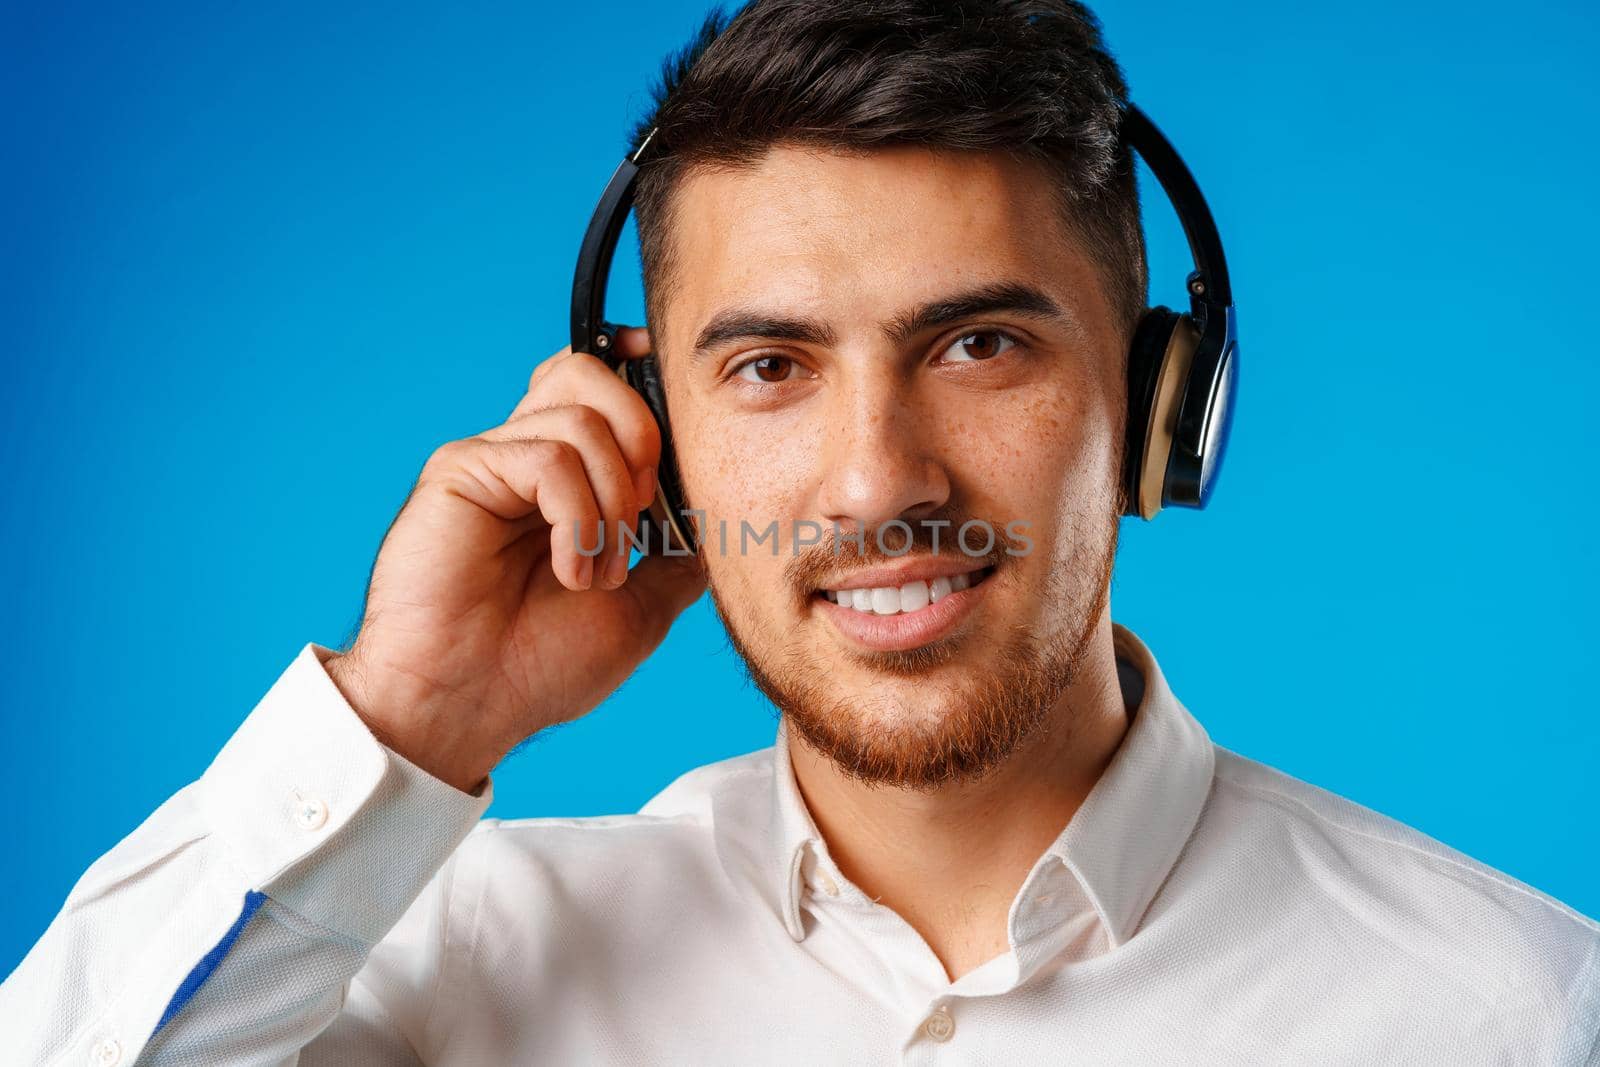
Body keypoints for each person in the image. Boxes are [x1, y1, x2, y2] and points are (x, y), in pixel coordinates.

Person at [3, 1, 1596, 1063]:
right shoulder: (440, 975)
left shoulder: (1517, 1014)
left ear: (1157, 403)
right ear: (654, 439)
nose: (871, 483)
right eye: (769, 368)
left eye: (980, 346)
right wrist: (405, 720)